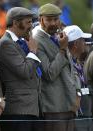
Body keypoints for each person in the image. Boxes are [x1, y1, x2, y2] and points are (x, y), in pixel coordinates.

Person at [0, 7, 41, 131]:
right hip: (18, 110)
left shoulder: (21, 42)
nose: (31, 26)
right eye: (28, 22)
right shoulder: (6, 44)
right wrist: (33, 52)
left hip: (30, 109)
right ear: (15, 23)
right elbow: (25, 71)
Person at [33, 3, 77, 131]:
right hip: (53, 106)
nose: (53, 23)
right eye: (49, 20)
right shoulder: (38, 41)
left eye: (56, 19)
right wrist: (63, 50)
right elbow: (49, 73)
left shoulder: (59, 37)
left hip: (68, 103)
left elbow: (71, 69)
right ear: (41, 20)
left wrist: (77, 94)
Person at [64, 25, 93, 131]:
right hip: (75, 115)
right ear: (76, 44)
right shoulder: (67, 62)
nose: (85, 43)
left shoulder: (76, 61)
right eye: (82, 40)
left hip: (84, 113)